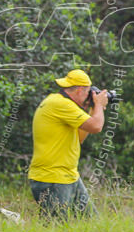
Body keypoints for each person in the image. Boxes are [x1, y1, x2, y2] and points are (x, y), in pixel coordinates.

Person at [27, 69, 108, 219]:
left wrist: (92, 108)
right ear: (79, 90)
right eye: (88, 93)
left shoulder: (58, 103)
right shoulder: (60, 104)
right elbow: (96, 126)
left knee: (91, 224)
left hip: (69, 176)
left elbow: (79, 138)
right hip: (52, 179)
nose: (88, 97)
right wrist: (99, 105)